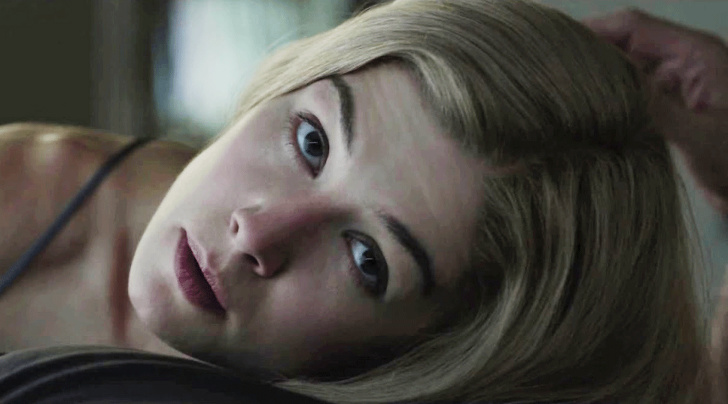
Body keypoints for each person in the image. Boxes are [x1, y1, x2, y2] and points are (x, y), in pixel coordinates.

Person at [1, 0, 726, 402]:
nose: (259, 232)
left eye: (367, 258)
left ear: (432, 352)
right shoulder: (29, 189)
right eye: (311, 141)